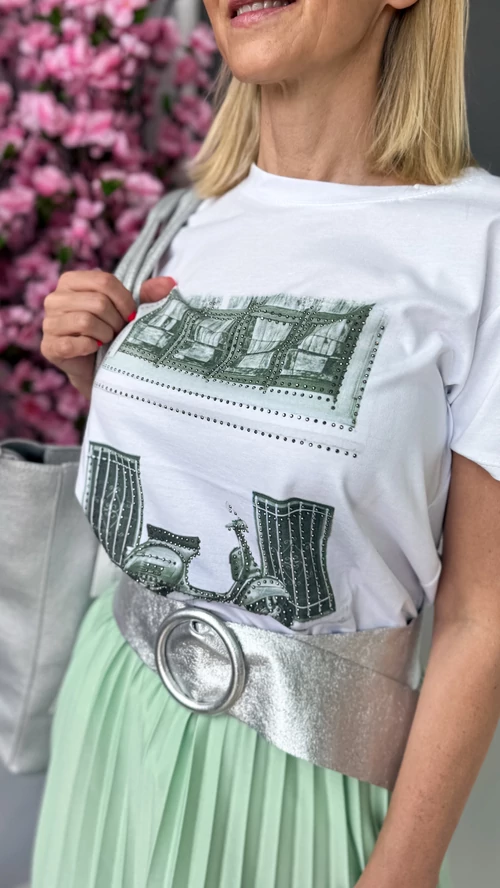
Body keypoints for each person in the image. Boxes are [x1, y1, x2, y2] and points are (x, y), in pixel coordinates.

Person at [32, 0, 500, 886]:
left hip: (302, 781)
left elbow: (483, 617)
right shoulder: (180, 221)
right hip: (111, 716)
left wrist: (404, 872)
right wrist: (101, 381)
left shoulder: (481, 246)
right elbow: (169, 495)